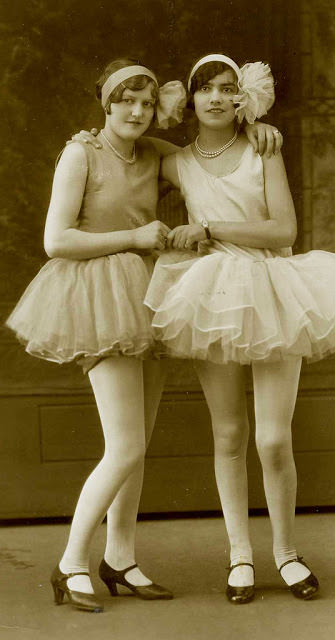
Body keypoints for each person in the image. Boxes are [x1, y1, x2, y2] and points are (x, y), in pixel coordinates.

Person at [6, 57, 283, 612]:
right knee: (125, 444)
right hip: (94, 299)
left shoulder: (155, 153)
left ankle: (121, 558)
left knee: (138, 444)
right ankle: (70, 563)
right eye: (124, 101)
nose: (136, 111)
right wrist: (135, 234)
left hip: (148, 297)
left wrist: (253, 127)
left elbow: (211, 160)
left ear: (156, 107)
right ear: (105, 104)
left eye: (145, 102)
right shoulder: (80, 154)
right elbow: (55, 241)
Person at [144, 53, 335, 604]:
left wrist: (207, 226)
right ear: (189, 99)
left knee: (273, 438)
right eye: (205, 88)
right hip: (211, 295)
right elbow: (125, 151)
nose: (216, 98)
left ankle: (287, 552)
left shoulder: (263, 149)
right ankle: (240, 556)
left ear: (244, 97)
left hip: (273, 290)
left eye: (229, 88)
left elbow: (283, 230)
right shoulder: (177, 160)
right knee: (229, 434)